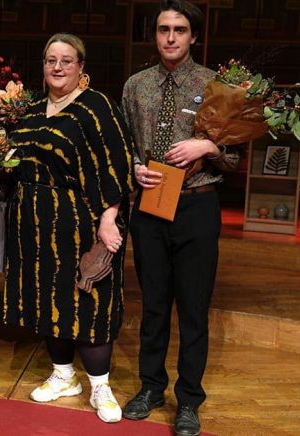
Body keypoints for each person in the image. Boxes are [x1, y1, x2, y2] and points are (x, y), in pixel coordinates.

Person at [121, 2, 241, 435]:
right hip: (151, 204)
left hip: (196, 205)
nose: (171, 37)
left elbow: (236, 155)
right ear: (154, 35)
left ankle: (189, 400)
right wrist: (133, 167)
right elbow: (126, 143)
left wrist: (206, 148)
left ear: (194, 36)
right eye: (163, 29)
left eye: (180, 30)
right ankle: (151, 386)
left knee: (192, 310)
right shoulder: (136, 85)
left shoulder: (216, 85)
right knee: (154, 307)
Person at [3, 33, 134, 423]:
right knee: (48, 298)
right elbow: (12, 163)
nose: (57, 67)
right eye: (50, 60)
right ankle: (63, 375)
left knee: (90, 299)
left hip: (83, 221)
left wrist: (109, 220)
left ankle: (100, 386)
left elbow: (118, 164)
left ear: (81, 67)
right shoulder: (28, 111)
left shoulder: (97, 107)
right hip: (34, 223)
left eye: (66, 60)